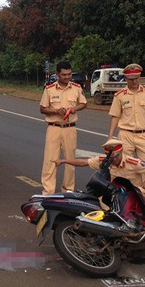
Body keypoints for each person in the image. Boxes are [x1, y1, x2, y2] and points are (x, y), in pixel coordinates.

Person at [108, 63, 145, 204]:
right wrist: (110, 137)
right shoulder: (120, 95)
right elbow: (115, 116)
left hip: (143, 135)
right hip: (125, 134)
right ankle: (127, 199)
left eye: (136, 78)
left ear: (139, 77)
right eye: (131, 79)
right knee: (125, 168)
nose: (134, 81)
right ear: (126, 79)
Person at [54, 138, 145, 204]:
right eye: (110, 157)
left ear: (121, 152)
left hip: (132, 196)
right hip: (113, 196)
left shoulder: (133, 162)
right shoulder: (105, 161)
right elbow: (83, 162)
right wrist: (63, 161)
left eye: (115, 157)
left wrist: (143, 186)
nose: (113, 160)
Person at [40, 61, 87, 194]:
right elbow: (42, 109)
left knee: (70, 161)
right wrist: (55, 111)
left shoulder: (77, 88)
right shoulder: (49, 89)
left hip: (70, 128)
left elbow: (83, 103)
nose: (67, 77)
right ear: (58, 74)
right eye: (64, 75)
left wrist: (73, 109)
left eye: (69, 74)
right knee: (50, 160)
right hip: (54, 128)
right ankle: (48, 191)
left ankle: (68, 190)